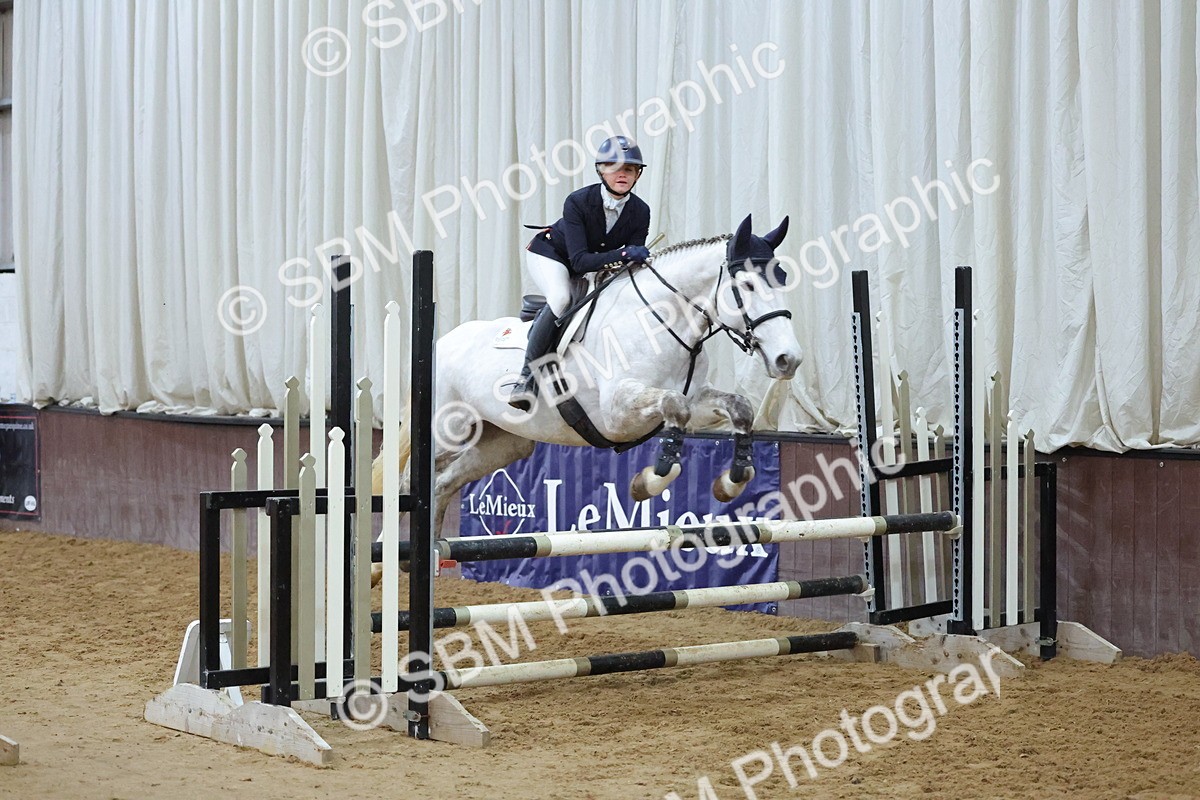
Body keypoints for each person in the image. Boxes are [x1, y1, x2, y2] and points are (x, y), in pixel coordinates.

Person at [508, 135, 652, 411]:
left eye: (630, 169)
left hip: (591, 262)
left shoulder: (640, 211)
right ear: (601, 171)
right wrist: (624, 254)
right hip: (551, 255)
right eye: (615, 167)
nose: (622, 174)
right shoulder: (577, 201)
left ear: (637, 175)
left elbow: (630, 259)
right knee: (562, 298)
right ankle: (526, 378)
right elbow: (580, 262)